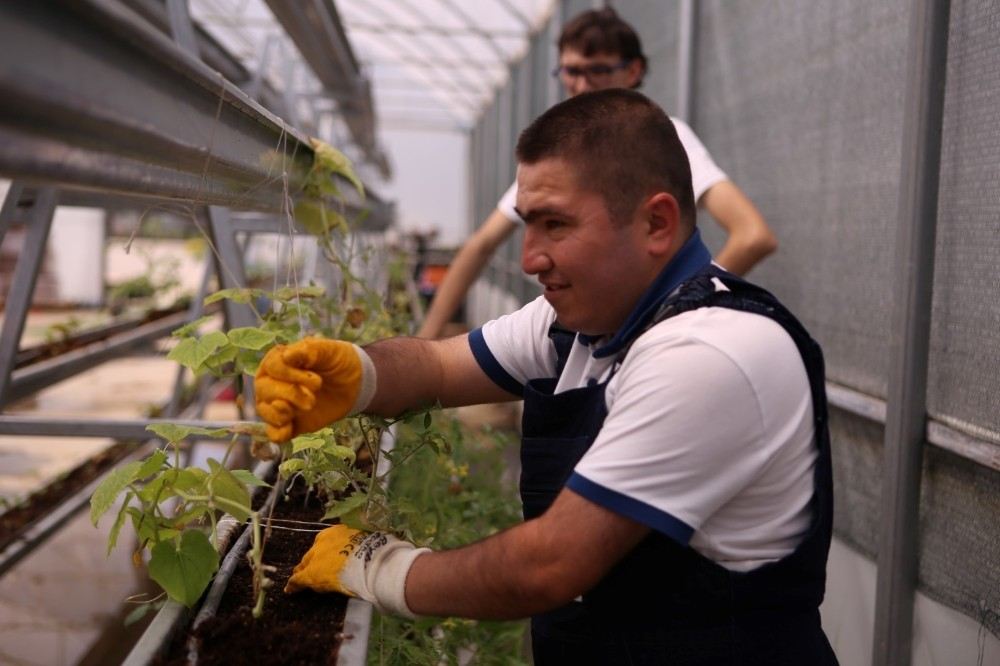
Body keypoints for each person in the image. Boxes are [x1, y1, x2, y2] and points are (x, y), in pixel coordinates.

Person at [255, 89, 836, 664]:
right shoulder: (583, 322)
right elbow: (437, 365)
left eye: (556, 224)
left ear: (656, 223)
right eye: (528, 224)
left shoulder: (708, 354)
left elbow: (548, 566)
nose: (530, 257)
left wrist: (380, 568)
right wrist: (359, 374)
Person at [416, 7, 777, 339]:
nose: (582, 84)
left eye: (598, 70)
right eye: (572, 70)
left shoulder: (665, 139)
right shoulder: (566, 153)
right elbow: (479, 246)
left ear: (633, 70)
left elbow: (752, 236)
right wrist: (425, 343)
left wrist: (674, 309)